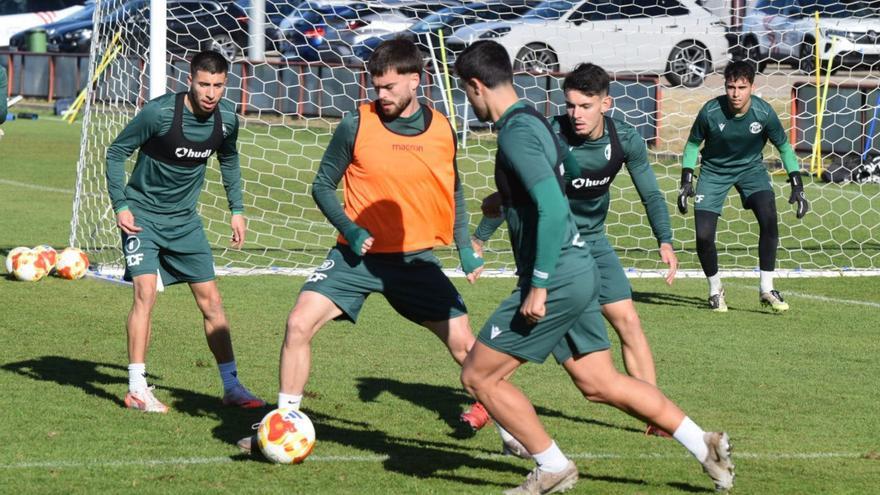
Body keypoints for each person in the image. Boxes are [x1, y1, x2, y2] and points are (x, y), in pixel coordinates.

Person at [455, 40, 734, 494]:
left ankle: (552, 465)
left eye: (465, 93)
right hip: (579, 265)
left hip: (556, 275)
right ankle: (703, 444)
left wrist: (539, 284)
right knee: (598, 381)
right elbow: (554, 182)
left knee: (477, 374)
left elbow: (551, 205)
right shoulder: (538, 122)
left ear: (475, 86)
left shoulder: (517, 132)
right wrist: (506, 202)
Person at [235, 38, 488, 450]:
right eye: (376, 86)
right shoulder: (356, 124)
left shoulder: (443, 128)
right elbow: (322, 186)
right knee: (298, 323)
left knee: (465, 347)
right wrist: (350, 229)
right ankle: (282, 424)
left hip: (414, 260)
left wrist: (464, 248)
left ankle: (513, 431)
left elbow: (454, 190)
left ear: (415, 81)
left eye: (389, 87)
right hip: (356, 259)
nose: (380, 94)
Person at [473, 63, 674, 396]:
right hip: (556, 247)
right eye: (570, 105)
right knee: (530, 323)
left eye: (585, 106)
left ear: (605, 104)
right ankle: (488, 397)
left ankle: (655, 409)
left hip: (594, 241)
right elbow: (515, 195)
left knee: (628, 320)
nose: (576, 114)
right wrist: (480, 238)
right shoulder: (547, 134)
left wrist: (664, 240)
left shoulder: (625, 139)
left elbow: (651, 193)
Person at [105, 50, 264, 413]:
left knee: (212, 303)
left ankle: (232, 387)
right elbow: (116, 153)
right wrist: (121, 205)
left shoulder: (227, 119)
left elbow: (229, 159)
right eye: (204, 84)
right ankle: (136, 390)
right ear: (190, 80)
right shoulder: (159, 113)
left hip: (185, 222)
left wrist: (237, 210)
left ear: (226, 84)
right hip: (142, 217)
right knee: (146, 293)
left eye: (218, 85)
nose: (211, 93)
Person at [678, 60, 808, 312]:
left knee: (768, 217)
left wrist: (797, 183)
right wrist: (686, 180)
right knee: (703, 236)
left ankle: (767, 289)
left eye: (741, 87)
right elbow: (693, 145)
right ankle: (715, 290)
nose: (735, 94)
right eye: (730, 87)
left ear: (752, 88)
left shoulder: (764, 112)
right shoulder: (710, 112)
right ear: (725, 87)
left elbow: (783, 146)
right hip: (714, 172)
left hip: (751, 170)